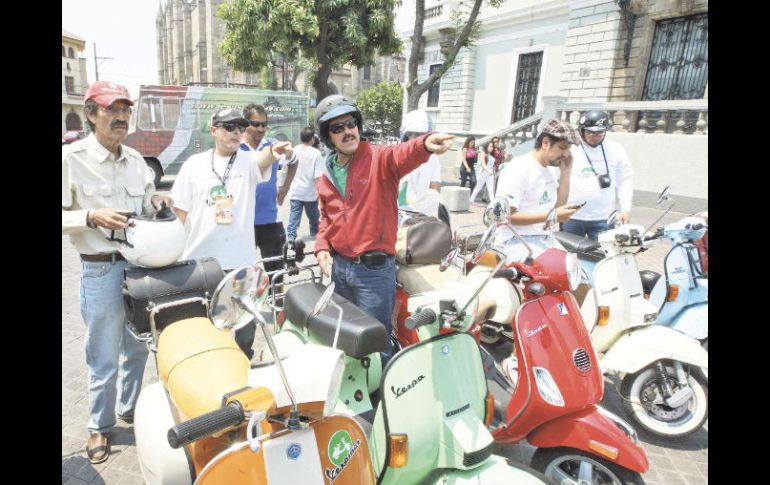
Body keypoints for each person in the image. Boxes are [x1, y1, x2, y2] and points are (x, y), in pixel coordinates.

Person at [62, 81, 173, 464]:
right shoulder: (71, 158)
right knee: (103, 354)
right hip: (100, 270)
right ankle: (99, 425)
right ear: (91, 114)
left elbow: (143, 204)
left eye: (126, 110)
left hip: (139, 267)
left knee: (138, 346)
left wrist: (155, 203)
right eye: (112, 109)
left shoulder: (137, 160)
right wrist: (90, 216)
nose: (122, 117)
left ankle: (128, 410)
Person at [313, 95, 454, 363]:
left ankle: (383, 398)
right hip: (340, 269)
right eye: (337, 128)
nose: (347, 131)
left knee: (377, 342)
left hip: (374, 274)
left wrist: (424, 143)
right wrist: (321, 246)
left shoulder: (380, 158)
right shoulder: (327, 173)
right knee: (345, 336)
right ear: (326, 136)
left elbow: (404, 154)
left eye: (350, 123)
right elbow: (326, 218)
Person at [170, 107, 291, 358]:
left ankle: (240, 376)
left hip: (241, 266)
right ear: (213, 130)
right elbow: (179, 213)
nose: (236, 132)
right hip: (202, 264)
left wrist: (273, 151)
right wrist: (168, 253)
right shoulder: (194, 164)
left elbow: (263, 160)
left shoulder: (247, 161)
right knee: (205, 331)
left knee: (244, 333)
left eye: (240, 127)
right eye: (229, 127)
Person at [493, 119, 582, 260]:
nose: (566, 154)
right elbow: (507, 216)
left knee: (576, 273)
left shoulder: (550, 169)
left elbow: (558, 207)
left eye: (568, 149)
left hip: (544, 238)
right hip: (516, 239)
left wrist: (566, 173)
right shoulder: (519, 168)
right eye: (562, 147)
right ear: (545, 143)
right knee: (558, 273)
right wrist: (551, 216)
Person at [240, 104, 299, 291]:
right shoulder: (235, 148)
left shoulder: (274, 146)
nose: (261, 129)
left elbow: (294, 161)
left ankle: (278, 312)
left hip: (270, 220)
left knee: (276, 274)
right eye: (256, 124)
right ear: (245, 124)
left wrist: (284, 188)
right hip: (242, 222)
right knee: (241, 275)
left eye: (264, 125)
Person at [560, 110, 634, 240]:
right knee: (568, 257)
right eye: (591, 132)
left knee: (600, 257)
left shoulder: (616, 149)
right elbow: (555, 179)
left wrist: (625, 209)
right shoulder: (569, 148)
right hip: (572, 216)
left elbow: (625, 180)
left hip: (603, 218)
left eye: (600, 132)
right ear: (581, 130)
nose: (596, 136)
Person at [397, 110, 448, 224]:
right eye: (417, 135)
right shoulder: (398, 156)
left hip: (420, 215)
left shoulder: (433, 158)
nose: (422, 140)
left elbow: (434, 189)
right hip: (402, 214)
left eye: (424, 136)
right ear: (407, 135)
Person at [285, 127, 324, 242]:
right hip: (309, 192)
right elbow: (318, 176)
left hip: (295, 191)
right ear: (312, 139)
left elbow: (287, 168)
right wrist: (319, 192)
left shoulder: (294, 150)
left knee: (294, 215)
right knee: (313, 215)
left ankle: (291, 236)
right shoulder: (316, 153)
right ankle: (315, 232)